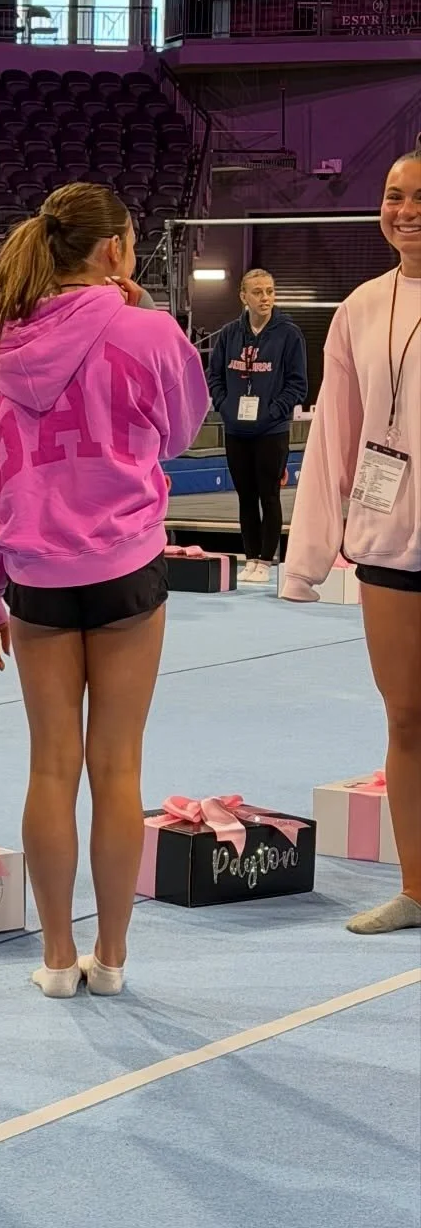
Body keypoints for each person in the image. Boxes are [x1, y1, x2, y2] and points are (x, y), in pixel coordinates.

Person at [0, 184, 209, 999]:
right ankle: (115, 956)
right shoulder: (147, 330)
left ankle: (58, 960)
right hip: (127, 565)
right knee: (117, 767)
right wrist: (138, 317)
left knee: (51, 767)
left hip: (35, 576)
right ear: (117, 251)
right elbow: (186, 427)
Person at [281, 141, 421, 936]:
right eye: (395, 196)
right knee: (405, 719)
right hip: (390, 546)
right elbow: (335, 436)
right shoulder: (362, 307)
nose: (404, 212)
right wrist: (307, 560)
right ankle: (417, 888)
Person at [207, 268, 309, 583]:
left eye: (270, 291)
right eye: (258, 292)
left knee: (269, 495)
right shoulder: (228, 334)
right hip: (237, 429)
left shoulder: (288, 334)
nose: (265, 298)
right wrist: (225, 408)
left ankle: (266, 560)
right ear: (243, 297)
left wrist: (273, 412)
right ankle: (250, 557)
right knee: (245, 496)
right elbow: (215, 377)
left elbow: (298, 384)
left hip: (271, 430)